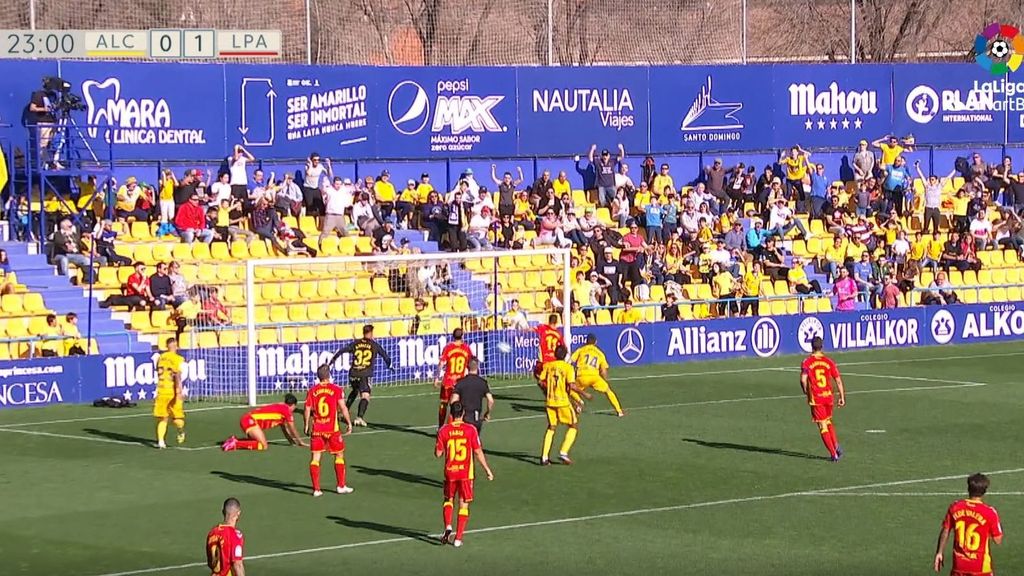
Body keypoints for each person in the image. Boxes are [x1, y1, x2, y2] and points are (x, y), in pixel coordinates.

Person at [436, 401, 494, 548]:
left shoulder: (443, 430)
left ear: (451, 414)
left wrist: (440, 448)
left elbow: (438, 454)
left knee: (448, 499)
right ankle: (458, 538)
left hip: (450, 472)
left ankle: (448, 525)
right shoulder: (470, 429)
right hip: (465, 473)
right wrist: (487, 469)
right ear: (462, 414)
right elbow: (477, 451)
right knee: (464, 504)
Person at [933, 473, 1003, 576]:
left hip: (959, 566)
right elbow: (998, 540)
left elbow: (946, 529)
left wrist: (939, 552)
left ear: (968, 489)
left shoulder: (955, 507)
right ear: (984, 491)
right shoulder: (989, 512)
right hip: (981, 568)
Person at [303, 364, 354, 497]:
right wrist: (349, 422)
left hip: (317, 429)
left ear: (318, 376)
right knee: (339, 455)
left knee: (315, 458)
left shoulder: (312, 390)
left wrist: (306, 425)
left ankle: (316, 489)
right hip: (332, 429)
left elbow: (307, 409)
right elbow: (343, 407)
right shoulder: (336, 389)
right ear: (329, 375)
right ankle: (341, 486)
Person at [328, 324, 393, 427]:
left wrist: (332, 361)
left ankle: (343, 412)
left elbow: (342, 350)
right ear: (371, 333)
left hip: (353, 373)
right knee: (365, 396)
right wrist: (389, 365)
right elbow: (385, 356)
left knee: (355, 391)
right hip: (365, 374)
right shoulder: (374, 345)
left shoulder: (356, 343)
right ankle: (359, 417)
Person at [799, 336, 846, 461]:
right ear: (822, 346)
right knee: (828, 421)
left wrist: (805, 391)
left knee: (822, 425)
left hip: (817, 398)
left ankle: (833, 454)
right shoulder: (829, 361)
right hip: (828, 397)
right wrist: (842, 397)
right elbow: (838, 380)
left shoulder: (807, 362)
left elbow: (803, 379)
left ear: (811, 347)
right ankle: (835, 445)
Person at [540, 345, 588, 466]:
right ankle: (563, 452)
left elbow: (541, 381)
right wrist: (584, 393)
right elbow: (571, 386)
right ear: (565, 355)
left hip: (550, 402)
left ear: (555, 355)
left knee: (551, 427)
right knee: (574, 425)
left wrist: (547, 391)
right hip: (563, 402)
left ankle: (544, 457)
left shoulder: (548, 366)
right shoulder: (568, 368)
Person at [222, 394, 306, 451]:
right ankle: (236, 444)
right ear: (293, 405)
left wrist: (291, 442)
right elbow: (292, 429)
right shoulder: (286, 410)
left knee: (255, 441)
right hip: (250, 420)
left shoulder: (281, 409)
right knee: (263, 445)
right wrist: (301, 442)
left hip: (247, 419)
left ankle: (234, 440)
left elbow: (285, 429)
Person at [569, 334, 624, 417]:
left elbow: (570, 361)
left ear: (586, 342)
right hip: (594, 376)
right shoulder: (599, 353)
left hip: (582, 376)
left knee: (570, 390)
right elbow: (603, 371)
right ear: (595, 342)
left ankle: (579, 401)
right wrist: (604, 381)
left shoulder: (581, 350)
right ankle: (619, 411)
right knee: (608, 391)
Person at [435, 328, 473, 430]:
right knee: (456, 406)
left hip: (448, 381)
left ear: (453, 336)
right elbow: (471, 365)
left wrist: (436, 378)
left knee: (443, 404)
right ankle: (452, 428)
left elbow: (441, 363)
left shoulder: (448, 347)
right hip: (460, 383)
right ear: (462, 336)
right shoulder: (466, 348)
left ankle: (440, 428)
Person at [154, 337, 186, 449]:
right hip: (172, 390)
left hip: (161, 390)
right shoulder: (178, 359)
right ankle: (179, 432)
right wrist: (179, 390)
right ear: (175, 346)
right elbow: (177, 375)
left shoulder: (161, 357)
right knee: (176, 417)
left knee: (163, 418)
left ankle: (161, 441)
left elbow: (156, 369)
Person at [451, 358, 494, 435]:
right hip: (476, 418)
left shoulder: (460, 382)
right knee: (475, 443)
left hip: (462, 418)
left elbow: (453, 401)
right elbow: (490, 400)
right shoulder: (483, 382)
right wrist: (487, 413)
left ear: (467, 367)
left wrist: (456, 414)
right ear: (477, 367)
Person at [206, 498, 245, 576]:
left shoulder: (212, 533)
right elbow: (237, 565)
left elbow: (210, 563)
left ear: (223, 512)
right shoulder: (235, 535)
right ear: (238, 513)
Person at [531, 314, 565, 386]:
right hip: (554, 359)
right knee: (551, 376)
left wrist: (522, 330)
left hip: (544, 358)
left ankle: (548, 390)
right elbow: (563, 347)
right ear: (557, 322)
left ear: (549, 321)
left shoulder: (543, 327)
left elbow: (532, 329)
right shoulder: (559, 334)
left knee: (537, 373)